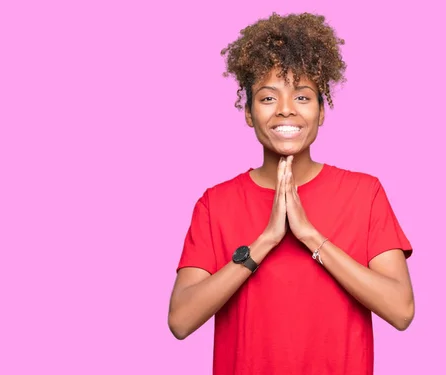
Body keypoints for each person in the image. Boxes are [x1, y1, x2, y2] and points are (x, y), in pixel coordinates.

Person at [167, 12, 415, 375]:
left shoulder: (365, 193)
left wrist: (310, 236)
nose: (286, 109)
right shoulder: (214, 203)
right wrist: (264, 242)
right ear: (249, 113)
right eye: (268, 98)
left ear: (321, 110)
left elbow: (401, 310)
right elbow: (180, 320)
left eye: (302, 96)